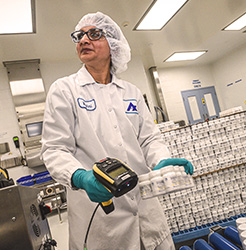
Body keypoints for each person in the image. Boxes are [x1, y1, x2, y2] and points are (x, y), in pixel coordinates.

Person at [41, 12, 193, 250]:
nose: (83, 40)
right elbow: (54, 149)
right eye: (79, 36)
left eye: (94, 34)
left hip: (144, 205)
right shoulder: (65, 90)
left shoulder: (131, 92)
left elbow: (149, 139)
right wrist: (80, 177)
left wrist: (162, 162)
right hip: (99, 213)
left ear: (113, 45)